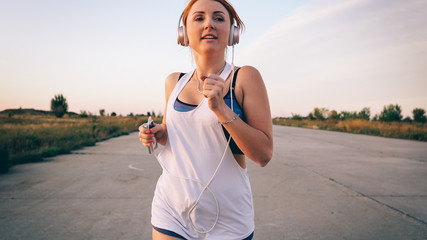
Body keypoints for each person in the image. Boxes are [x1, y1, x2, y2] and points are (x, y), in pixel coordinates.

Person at [139, 0, 273, 239]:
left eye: (219, 18)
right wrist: (159, 132)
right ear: (184, 33)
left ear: (232, 33)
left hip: (228, 218)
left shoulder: (244, 78)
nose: (209, 24)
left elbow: (263, 154)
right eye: (199, 18)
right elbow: (175, 134)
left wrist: (221, 109)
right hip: (171, 209)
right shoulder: (174, 82)